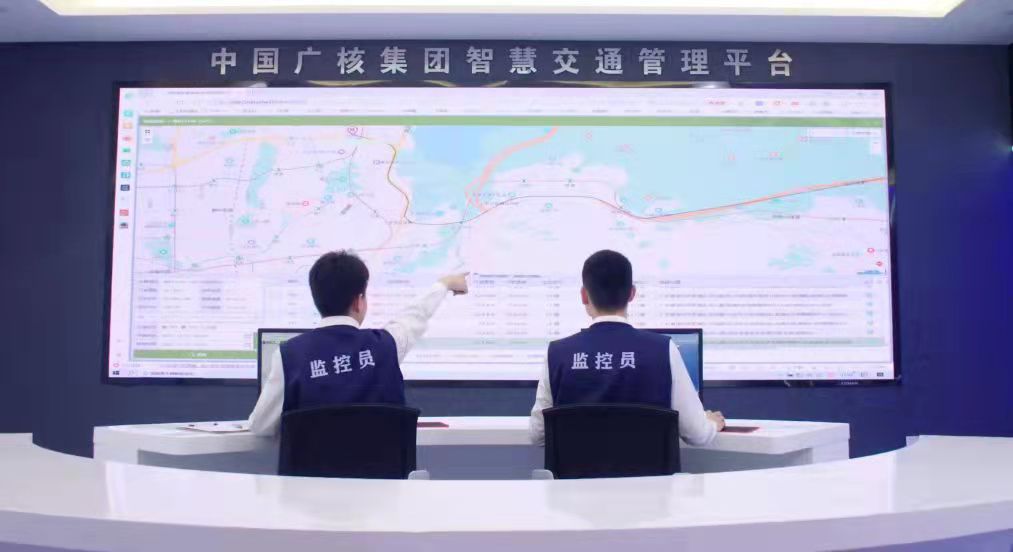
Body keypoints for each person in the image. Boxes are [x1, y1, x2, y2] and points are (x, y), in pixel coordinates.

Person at [249, 250, 469, 436]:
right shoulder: (388, 345)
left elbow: (260, 426)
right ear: (358, 301)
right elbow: (415, 315)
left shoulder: (289, 356)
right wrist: (445, 284)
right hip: (383, 475)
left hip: (310, 475)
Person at [529, 249, 725, 446]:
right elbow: (697, 435)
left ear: (584, 295)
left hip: (576, 468)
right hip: (649, 468)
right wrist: (709, 423)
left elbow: (537, 435)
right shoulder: (664, 350)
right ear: (632, 293)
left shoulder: (557, 354)